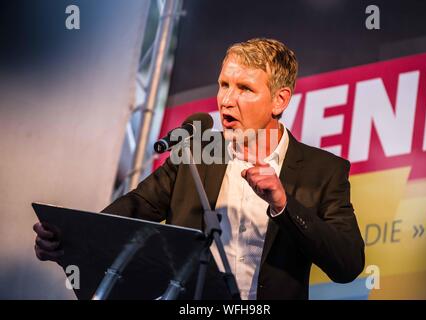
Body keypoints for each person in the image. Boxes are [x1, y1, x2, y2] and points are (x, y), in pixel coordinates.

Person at [33, 38, 365, 300]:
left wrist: (282, 204)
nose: (226, 100)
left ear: (279, 100)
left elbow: (347, 264)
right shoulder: (195, 154)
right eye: (224, 84)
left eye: (244, 88)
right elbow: (130, 212)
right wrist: (69, 240)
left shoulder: (323, 171)